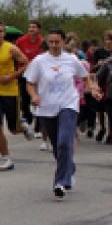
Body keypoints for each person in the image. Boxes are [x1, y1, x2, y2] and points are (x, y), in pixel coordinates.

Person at [25, 29, 92, 197]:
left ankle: (60, 182)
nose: (54, 45)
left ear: (63, 42)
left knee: (64, 143)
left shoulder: (71, 60)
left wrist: (89, 87)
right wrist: (34, 96)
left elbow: (85, 75)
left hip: (68, 104)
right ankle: (69, 168)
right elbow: (30, 83)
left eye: (57, 42)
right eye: (51, 42)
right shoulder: (39, 61)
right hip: (47, 108)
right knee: (57, 147)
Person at [0, 20, 33, 171]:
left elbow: (26, 63)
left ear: (4, 33)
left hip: (11, 93)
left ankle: (23, 126)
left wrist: (11, 76)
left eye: (1, 31)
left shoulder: (11, 49)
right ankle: (6, 158)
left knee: (13, 128)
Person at [15, 20, 44, 136]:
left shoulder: (42, 42)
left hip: (39, 75)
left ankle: (39, 126)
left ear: (39, 30)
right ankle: (28, 120)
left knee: (38, 100)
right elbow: (15, 55)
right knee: (25, 100)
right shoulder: (21, 41)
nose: (31, 29)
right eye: (30, 27)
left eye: (34, 27)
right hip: (24, 74)